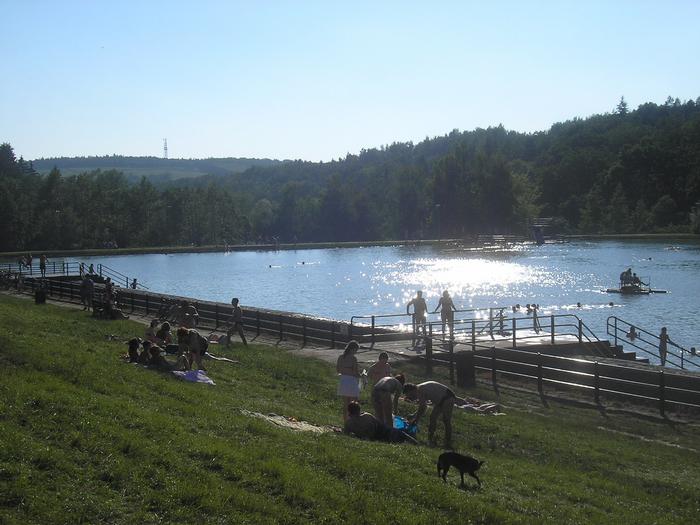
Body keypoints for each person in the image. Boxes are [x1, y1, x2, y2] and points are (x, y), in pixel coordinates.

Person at [403, 381, 456, 448]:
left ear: (412, 390)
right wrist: (414, 415)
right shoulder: (419, 389)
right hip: (440, 400)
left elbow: (422, 408)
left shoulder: (420, 390)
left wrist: (416, 419)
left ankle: (447, 441)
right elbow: (423, 407)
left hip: (447, 397)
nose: (413, 397)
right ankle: (430, 438)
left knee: (446, 420)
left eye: (411, 395)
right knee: (432, 417)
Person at [343, 401, 417, 444]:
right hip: (385, 433)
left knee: (400, 437)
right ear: (359, 410)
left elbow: (346, 433)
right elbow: (379, 424)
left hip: (378, 437)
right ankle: (417, 444)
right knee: (402, 435)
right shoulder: (366, 416)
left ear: (349, 411)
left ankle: (414, 443)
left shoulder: (348, 423)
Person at [336, 340, 361, 421]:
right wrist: (361, 375)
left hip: (343, 380)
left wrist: (345, 371)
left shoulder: (340, 357)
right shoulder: (353, 358)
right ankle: (353, 421)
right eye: (356, 350)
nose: (356, 352)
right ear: (352, 349)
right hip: (351, 381)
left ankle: (346, 421)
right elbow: (355, 372)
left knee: (346, 404)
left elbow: (338, 370)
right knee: (354, 403)